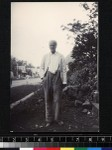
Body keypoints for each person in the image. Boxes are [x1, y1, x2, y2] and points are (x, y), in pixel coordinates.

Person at [40, 40, 67, 127]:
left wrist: (64, 81)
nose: (52, 47)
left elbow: (64, 69)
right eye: (50, 45)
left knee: (57, 99)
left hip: (57, 77)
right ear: (49, 46)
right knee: (48, 99)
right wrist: (42, 77)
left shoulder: (61, 56)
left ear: (56, 46)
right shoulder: (45, 56)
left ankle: (57, 119)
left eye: (53, 45)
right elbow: (41, 67)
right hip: (47, 77)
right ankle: (49, 120)